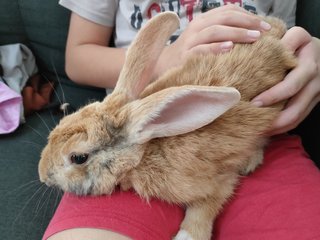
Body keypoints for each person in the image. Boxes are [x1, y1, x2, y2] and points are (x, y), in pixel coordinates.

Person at [43, 1, 320, 239]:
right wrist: (165, 60)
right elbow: (77, 57)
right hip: (128, 146)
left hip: (262, 135)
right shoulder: (116, 159)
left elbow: (285, 37)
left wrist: (310, 55)